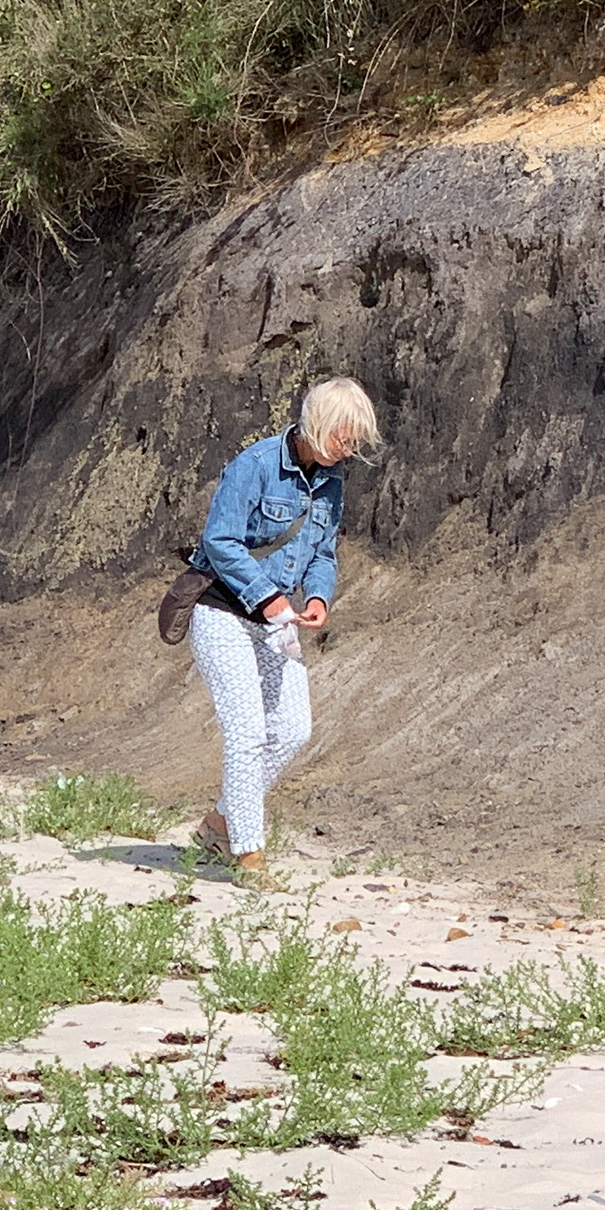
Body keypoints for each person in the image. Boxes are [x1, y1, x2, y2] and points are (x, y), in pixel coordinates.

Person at [185, 376, 379, 877]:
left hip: (278, 620)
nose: (350, 447)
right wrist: (267, 596)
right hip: (222, 610)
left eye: (355, 438)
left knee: (294, 730)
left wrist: (318, 596)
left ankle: (220, 823)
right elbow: (220, 540)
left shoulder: (333, 481)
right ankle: (248, 854)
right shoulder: (254, 466)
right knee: (247, 733)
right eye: (344, 435)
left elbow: (323, 552)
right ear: (317, 424)